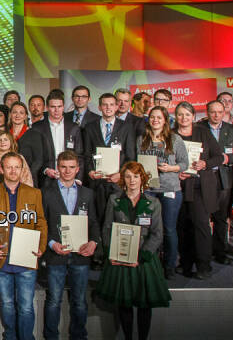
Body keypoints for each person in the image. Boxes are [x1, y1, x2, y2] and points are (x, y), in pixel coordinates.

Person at [95, 161, 170, 340]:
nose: (132, 180)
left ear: (142, 179)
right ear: (123, 179)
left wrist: (143, 255)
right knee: (125, 303)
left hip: (144, 260)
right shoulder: (114, 200)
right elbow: (107, 229)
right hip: (121, 258)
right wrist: (113, 252)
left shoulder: (154, 203)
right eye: (128, 176)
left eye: (136, 176)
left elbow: (157, 234)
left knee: (144, 305)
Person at [0, 152, 47, 340]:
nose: (13, 171)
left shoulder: (34, 193)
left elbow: (40, 222)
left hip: (26, 258)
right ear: (1, 170)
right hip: (2, 258)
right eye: (9, 167)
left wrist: (40, 248)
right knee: (8, 305)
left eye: (17, 167)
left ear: (22, 169)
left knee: (26, 307)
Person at [41, 151, 101, 340]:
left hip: (80, 255)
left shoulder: (87, 194)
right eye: (63, 167)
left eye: (71, 167)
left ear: (78, 169)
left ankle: (79, 339)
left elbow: (93, 222)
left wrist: (94, 242)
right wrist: (51, 243)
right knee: (54, 300)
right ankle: (51, 339)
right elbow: (43, 223)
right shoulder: (46, 193)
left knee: (79, 301)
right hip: (56, 254)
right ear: (58, 168)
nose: (67, 171)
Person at [174, 101, 224, 280]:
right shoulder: (170, 135)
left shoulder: (203, 132)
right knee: (182, 227)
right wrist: (175, 172)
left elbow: (219, 157)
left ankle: (204, 265)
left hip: (199, 188)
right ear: (175, 116)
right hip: (178, 187)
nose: (184, 118)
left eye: (187, 115)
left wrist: (205, 163)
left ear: (193, 116)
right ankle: (185, 263)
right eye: (180, 114)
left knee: (201, 226)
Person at [137, 106, 188, 280]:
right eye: (152, 117)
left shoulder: (175, 139)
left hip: (169, 190)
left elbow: (184, 164)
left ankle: (170, 265)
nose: (155, 120)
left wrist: (170, 167)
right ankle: (150, 262)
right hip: (148, 190)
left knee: (169, 229)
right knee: (148, 228)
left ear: (166, 120)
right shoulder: (141, 139)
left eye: (159, 117)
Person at [83, 92, 137, 230]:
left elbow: (131, 156)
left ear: (117, 106)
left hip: (118, 182)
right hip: (97, 182)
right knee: (98, 218)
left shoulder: (126, 127)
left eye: (112, 104)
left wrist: (121, 174)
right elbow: (87, 154)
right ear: (100, 107)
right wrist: (90, 171)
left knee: (118, 219)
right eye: (105, 105)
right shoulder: (89, 127)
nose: (108, 107)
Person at [201, 99, 233, 264]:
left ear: (224, 112)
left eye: (220, 112)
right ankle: (203, 250)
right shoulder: (199, 129)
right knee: (203, 217)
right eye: (213, 112)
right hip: (203, 178)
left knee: (221, 217)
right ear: (207, 113)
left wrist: (227, 158)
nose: (216, 115)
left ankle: (220, 252)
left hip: (224, 179)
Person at [21, 89, 81, 189]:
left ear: (63, 107)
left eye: (59, 107)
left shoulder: (74, 127)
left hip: (70, 178)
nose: (56, 110)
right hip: (45, 179)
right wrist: (45, 170)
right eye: (53, 107)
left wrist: (78, 178)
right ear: (47, 108)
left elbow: (79, 154)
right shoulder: (37, 128)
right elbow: (33, 157)